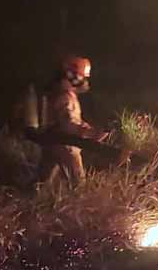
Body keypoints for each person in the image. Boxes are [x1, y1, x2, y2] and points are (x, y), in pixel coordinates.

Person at [36, 55, 106, 187]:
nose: (83, 81)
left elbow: (70, 120)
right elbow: (68, 123)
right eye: (81, 77)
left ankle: (27, 198)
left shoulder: (59, 93)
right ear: (72, 76)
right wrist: (89, 133)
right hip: (66, 145)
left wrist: (88, 129)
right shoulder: (65, 96)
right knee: (78, 185)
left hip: (51, 142)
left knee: (41, 183)